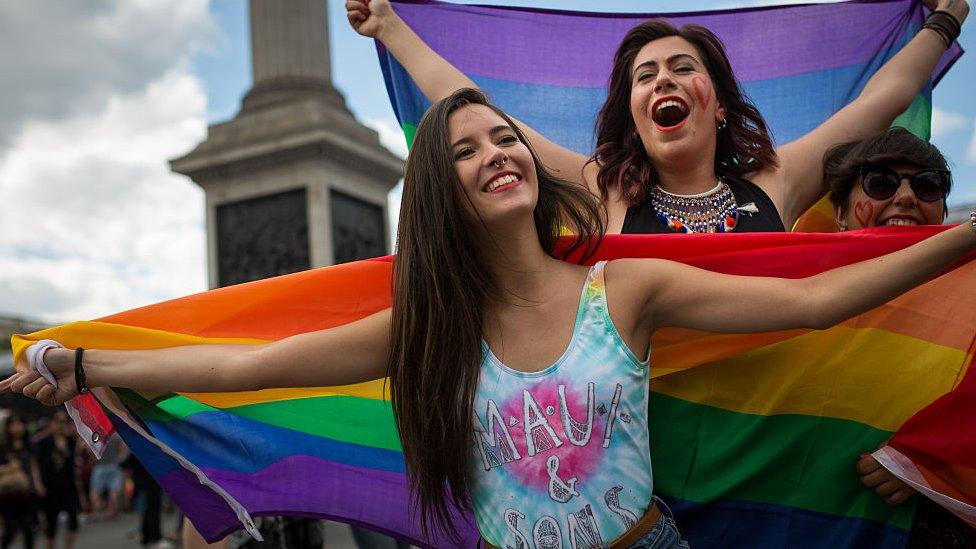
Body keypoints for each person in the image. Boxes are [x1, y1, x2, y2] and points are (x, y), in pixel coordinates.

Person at [3, 89, 976, 548]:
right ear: (440, 187)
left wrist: (966, 239)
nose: (494, 154)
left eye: (503, 137)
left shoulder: (626, 292)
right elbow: (245, 367)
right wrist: (82, 363)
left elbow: (814, 305)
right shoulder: (425, 328)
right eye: (465, 150)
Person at [347, 0, 968, 234]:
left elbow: (879, 102)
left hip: (769, 449)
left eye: (681, 68)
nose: (663, 80)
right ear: (636, 117)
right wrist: (390, 28)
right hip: (647, 469)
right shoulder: (602, 191)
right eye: (646, 77)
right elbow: (481, 111)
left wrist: (946, 20)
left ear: (717, 104)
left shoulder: (779, 180)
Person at [825, 127, 976, 548]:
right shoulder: (793, 288)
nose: (907, 197)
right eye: (881, 183)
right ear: (840, 212)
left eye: (927, 185)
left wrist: (925, 456)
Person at [34, 412, 81, 549]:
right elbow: (35, 463)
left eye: (63, 422)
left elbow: (73, 465)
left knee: (73, 520)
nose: (60, 425)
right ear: (52, 424)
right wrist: (38, 484)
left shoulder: (71, 441)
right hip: (50, 485)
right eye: (58, 422)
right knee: (51, 522)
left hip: (68, 485)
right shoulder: (44, 442)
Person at [0, 414, 42, 549]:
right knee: (11, 528)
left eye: (19, 424)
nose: (17, 427)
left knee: (28, 527)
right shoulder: (3, 446)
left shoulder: (29, 444)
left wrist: (38, 484)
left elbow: (34, 466)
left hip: (26, 491)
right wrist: (8, 468)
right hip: (7, 493)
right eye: (13, 424)